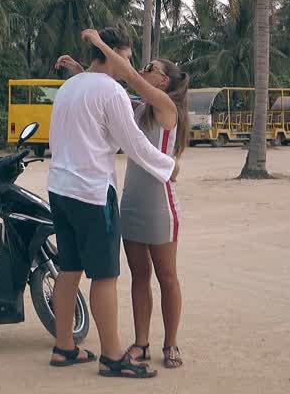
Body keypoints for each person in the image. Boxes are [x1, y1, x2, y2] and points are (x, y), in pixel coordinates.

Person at [45, 27, 175, 379]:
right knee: (105, 274)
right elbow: (133, 143)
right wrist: (168, 166)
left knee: (69, 270)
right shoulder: (110, 91)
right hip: (91, 192)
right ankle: (113, 357)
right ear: (113, 53)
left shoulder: (69, 88)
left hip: (59, 188)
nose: (128, 65)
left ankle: (64, 348)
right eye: (128, 57)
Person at [70, 31, 189, 369]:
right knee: (138, 275)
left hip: (160, 206)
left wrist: (100, 44)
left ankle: (171, 344)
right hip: (132, 202)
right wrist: (80, 70)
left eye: (150, 67)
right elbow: (107, 94)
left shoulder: (166, 107)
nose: (142, 68)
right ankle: (141, 343)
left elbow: (129, 77)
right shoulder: (138, 109)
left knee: (167, 277)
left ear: (162, 80)